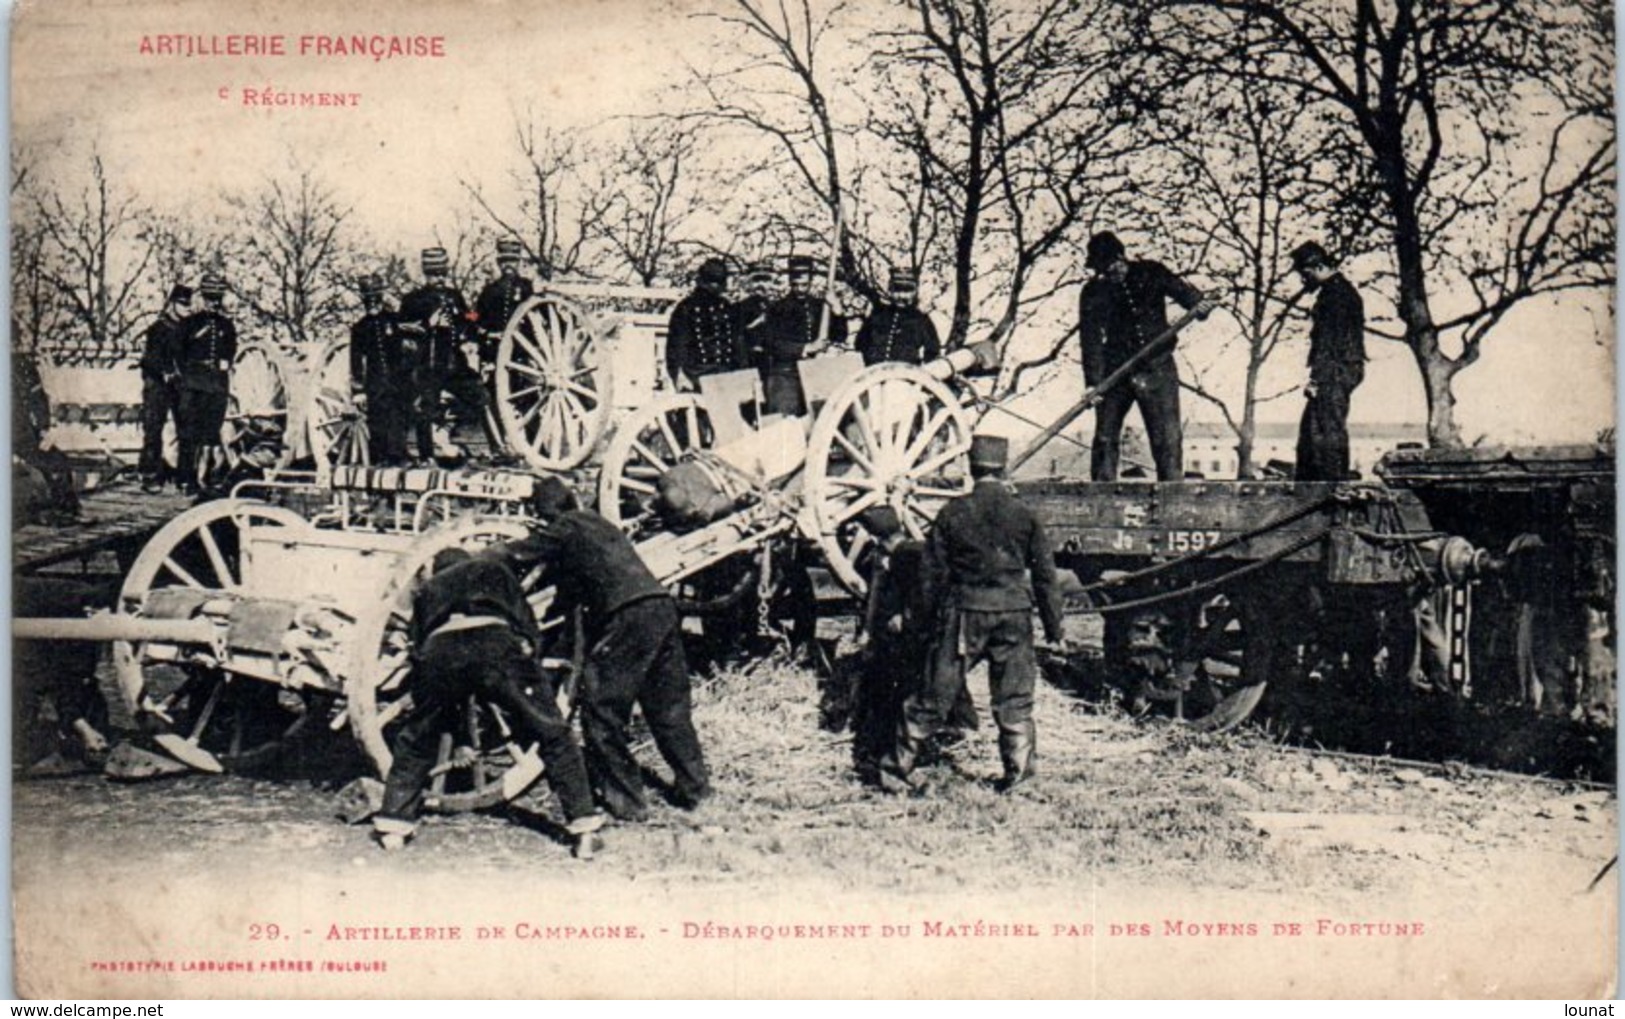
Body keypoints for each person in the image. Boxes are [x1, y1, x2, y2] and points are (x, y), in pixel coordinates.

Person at [491, 477, 710, 823]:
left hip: (628, 616)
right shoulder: (600, 525)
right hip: (660, 608)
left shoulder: (563, 529)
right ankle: (696, 792)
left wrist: (470, 563)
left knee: (601, 709)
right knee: (668, 707)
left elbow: (513, 553)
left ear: (543, 512)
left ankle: (627, 804)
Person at [372, 546, 605, 855]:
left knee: (416, 737)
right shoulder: (494, 571)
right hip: (495, 644)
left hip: (440, 651)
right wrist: (528, 675)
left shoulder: (429, 588)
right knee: (552, 732)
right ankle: (584, 828)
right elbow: (527, 626)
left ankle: (393, 827)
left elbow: (417, 648)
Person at [878, 434, 1062, 793]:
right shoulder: (1024, 514)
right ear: (1004, 468)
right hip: (1014, 615)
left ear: (971, 468)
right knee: (1014, 699)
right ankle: (1021, 778)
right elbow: (1045, 577)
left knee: (933, 695)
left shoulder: (953, 512)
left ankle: (895, 772)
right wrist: (1055, 629)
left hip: (964, 616)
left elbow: (931, 576)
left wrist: (924, 623)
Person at [1078, 231, 1214, 482]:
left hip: (1157, 368)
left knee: (1167, 438)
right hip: (1115, 373)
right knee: (1105, 437)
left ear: (1121, 257)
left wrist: (1201, 305)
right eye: (1101, 270)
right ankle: (1101, 496)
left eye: (1109, 267)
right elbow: (1090, 340)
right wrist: (1092, 383)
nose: (1107, 274)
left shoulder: (1152, 272)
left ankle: (1172, 494)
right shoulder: (1093, 291)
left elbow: (1189, 298)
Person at [398, 246, 494, 461]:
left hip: (454, 364)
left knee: (480, 396)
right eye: (434, 274)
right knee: (426, 407)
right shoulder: (413, 300)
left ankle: (495, 447)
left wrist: (475, 326)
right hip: (426, 365)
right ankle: (426, 456)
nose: (439, 279)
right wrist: (428, 323)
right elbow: (403, 328)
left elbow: (468, 317)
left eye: (442, 273)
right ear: (426, 273)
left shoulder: (454, 296)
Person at [1290, 241, 1366, 481]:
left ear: (1319, 266)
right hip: (1338, 370)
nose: (1304, 281)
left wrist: (1317, 379)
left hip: (1334, 372)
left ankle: (1331, 490)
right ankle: (1325, 487)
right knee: (1315, 432)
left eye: (1306, 274)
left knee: (1325, 432)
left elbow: (1329, 342)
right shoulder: (1338, 292)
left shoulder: (1336, 296)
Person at [759, 254, 847, 415]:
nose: (800, 289)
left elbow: (840, 336)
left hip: (816, 371)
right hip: (786, 375)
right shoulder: (777, 309)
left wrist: (837, 309)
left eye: (804, 285)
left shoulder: (820, 306)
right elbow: (771, 343)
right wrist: (806, 347)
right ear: (790, 282)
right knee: (785, 421)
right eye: (795, 285)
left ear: (811, 282)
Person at [175, 272, 237, 494]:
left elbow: (231, 349)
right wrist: (186, 378)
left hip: (217, 385)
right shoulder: (189, 324)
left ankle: (209, 476)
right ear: (202, 298)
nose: (213, 303)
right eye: (209, 298)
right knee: (189, 433)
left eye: (216, 299)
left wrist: (225, 362)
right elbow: (179, 353)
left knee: (211, 433)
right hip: (193, 384)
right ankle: (186, 479)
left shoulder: (226, 325)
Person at [349, 275, 412, 466]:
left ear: (381, 298)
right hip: (375, 380)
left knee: (399, 415)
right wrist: (358, 389)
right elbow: (356, 360)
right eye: (369, 300)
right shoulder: (360, 328)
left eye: (376, 299)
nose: (373, 304)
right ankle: (380, 457)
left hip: (397, 377)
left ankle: (399, 455)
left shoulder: (394, 320)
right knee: (377, 418)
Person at [138, 285, 192, 491]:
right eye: (183, 304)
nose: (188, 308)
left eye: (189, 304)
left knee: (186, 428)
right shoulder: (157, 329)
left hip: (180, 384)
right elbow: (151, 359)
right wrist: (165, 371)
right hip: (157, 384)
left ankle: (185, 476)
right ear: (172, 304)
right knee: (153, 427)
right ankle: (150, 475)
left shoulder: (188, 329)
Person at [665, 257, 748, 388]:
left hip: (726, 373)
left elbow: (737, 342)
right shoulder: (687, 308)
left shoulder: (726, 307)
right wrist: (679, 375)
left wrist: (743, 371)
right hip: (697, 374)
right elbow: (676, 345)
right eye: (712, 282)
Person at [855, 268, 940, 367]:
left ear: (915, 292)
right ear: (890, 290)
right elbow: (859, 345)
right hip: (875, 376)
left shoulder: (921, 320)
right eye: (897, 290)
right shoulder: (877, 315)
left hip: (904, 377)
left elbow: (932, 353)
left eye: (907, 291)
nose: (902, 296)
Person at [473, 238, 534, 373]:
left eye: (512, 261)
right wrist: (488, 333)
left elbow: (540, 311)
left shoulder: (526, 287)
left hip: (521, 350)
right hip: (495, 349)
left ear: (518, 263)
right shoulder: (489, 291)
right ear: (499, 263)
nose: (508, 266)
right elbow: (476, 316)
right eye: (504, 261)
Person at [735, 260, 776, 369]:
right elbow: (737, 334)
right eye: (757, 280)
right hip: (750, 359)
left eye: (765, 280)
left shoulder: (775, 306)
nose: (761, 285)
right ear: (750, 283)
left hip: (772, 360)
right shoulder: (740, 307)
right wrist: (757, 322)